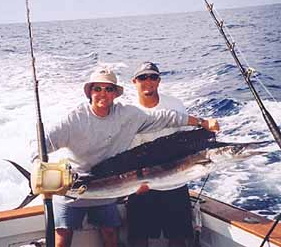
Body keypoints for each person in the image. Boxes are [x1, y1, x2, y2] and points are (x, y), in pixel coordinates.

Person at [35, 66, 218, 247]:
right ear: (90, 92)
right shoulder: (73, 119)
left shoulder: (127, 115)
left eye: (109, 89)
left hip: (107, 184)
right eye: (97, 89)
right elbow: (40, 144)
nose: (103, 94)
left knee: (110, 233)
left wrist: (202, 122)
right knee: (62, 237)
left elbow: (164, 117)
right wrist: (37, 167)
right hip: (72, 184)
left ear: (115, 93)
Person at [127, 61, 220, 247]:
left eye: (153, 77)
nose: (148, 81)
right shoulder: (127, 111)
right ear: (134, 82)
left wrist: (208, 128)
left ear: (159, 81)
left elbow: (187, 140)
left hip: (175, 182)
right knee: (139, 237)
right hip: (140, 183)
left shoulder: (175, 104)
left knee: (178, 237)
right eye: (142, 77)